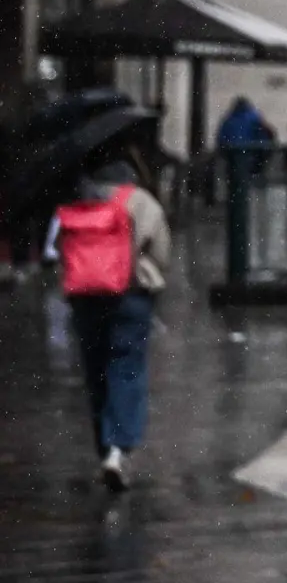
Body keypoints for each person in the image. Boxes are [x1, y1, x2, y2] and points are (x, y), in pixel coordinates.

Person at [44, 140, 171, 493]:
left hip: (86, 297)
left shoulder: (75, 198)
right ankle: (119, 450)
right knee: (126, 367)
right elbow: (161, 252)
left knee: (96, 371)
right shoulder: (141, 202)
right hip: (130, 296)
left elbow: (57, 249)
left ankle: (104, 447)